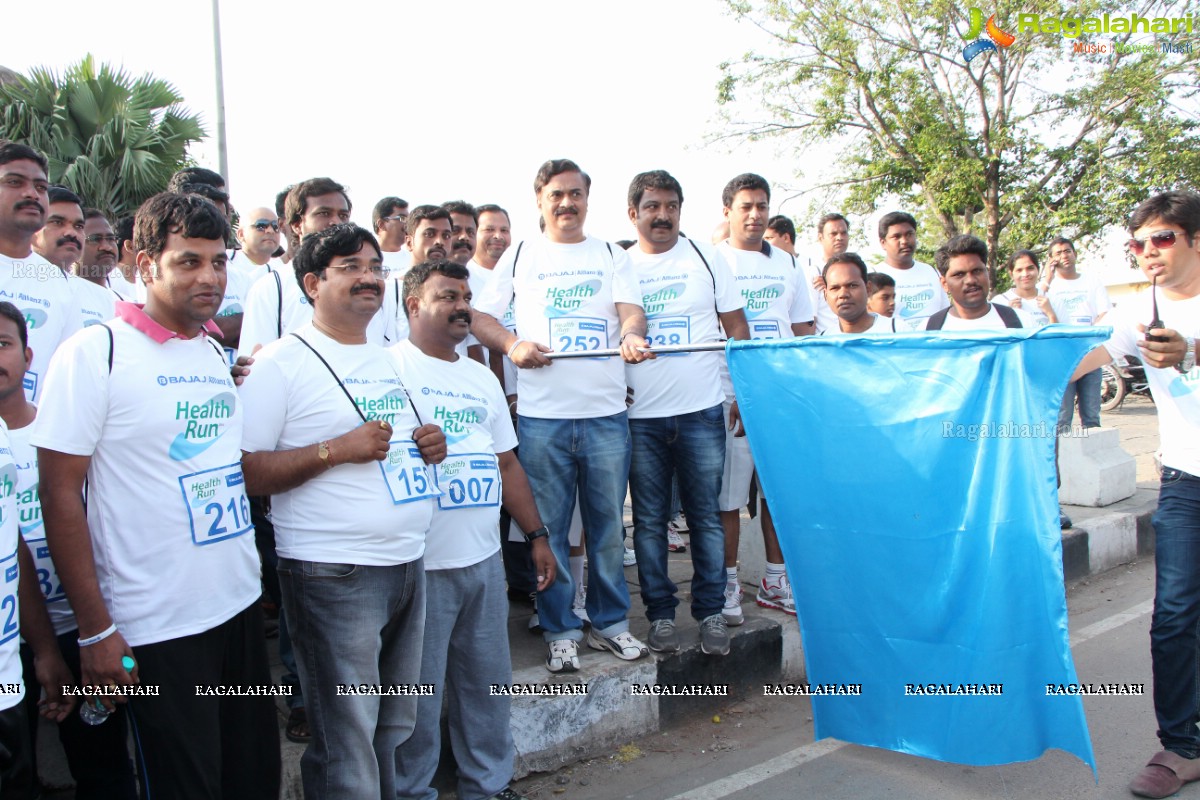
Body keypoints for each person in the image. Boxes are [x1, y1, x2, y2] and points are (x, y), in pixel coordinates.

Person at [35, 191, 280, 799]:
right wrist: (95, 632)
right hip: (155, 630)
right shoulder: (95, 354)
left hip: (238, 606)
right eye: (189, 262)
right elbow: (59, 496)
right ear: (143, 264)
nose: (211, 277)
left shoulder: (209, 350)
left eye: (219, 261)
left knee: (251, 780)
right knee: (185, 786)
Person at [238, 223, 446, 799]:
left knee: (394, 724)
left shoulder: (388, 358)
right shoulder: (280, 362)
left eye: (375, 267)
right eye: (351, 267)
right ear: (312, 282)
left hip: (406, 562)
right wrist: (335, 451)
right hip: (332, 573)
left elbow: (396, 444)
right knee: (346, 736)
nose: (369, 278)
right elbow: (247, 469)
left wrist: (431, 444)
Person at [472, 158, 652, 673]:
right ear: (540, 200)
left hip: (604, 416)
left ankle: (611, 623)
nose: (567, 203)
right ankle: (559, 629)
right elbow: (481, 317)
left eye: (576, 194)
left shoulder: (610, 254)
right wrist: (512, 344)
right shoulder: (521, 254)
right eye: (557, 195)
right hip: (542, 420)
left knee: (607, 530)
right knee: (546, 531)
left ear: (587, 199)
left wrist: (633, 335)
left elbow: (630, 311)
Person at [391, 258, 554, 800]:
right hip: (420, 565)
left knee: (486, 687)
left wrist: (536, 535)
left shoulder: (480, 377)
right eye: (448, 297)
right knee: (417, 696)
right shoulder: (388, 371)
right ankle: (413, 791)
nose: (463, 307)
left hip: (482, 560)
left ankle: (489, 785)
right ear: (414, 305)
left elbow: (508, 464)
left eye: (465, 297)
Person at [1068, 191, 1197, 800]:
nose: (1149, 252)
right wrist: (1004, 366)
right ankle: (1182, 746)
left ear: (1196, 240)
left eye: (1163, 238)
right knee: (1173, 618)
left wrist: (1193, 352)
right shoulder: (1136, 312)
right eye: (1139, 243)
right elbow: (1087, 357)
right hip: (1184, 483)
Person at [624, 170, 749, 656]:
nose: (663, 215)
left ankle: (712, 612)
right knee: (651, 521)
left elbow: (736, 328)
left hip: (700, 412)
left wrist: (739, 393)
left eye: (671, 205)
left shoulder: (705, 256)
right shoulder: (620, 264)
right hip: (641, 420)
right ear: (633, 213)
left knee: (708, 517)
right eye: (652, 206)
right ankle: (659, 615)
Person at [715, 173, 814, 625]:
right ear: (728, 212)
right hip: (727, 396)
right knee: (729, 497)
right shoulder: (713, 261)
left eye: (762, 206)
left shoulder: (789, 264)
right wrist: (738, 391)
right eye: (746, 207)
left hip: (779, 397)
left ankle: (776, 581)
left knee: (778, 492)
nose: (755, 215)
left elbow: (801, 330)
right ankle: (728, 583)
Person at [0, 142, 81, 404]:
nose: (32, 194)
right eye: (15, 182)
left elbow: (70, 376)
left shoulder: (59, 283)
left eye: (41, 187)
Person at [1045, 235, 1110, 432]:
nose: (1064, 255)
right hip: (1062, 356)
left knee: (1091, 414)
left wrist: (1090, 337)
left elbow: (1104, 312)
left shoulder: (1092, 281)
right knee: (1062, 416)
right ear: (1051, 259)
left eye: (1067, 251)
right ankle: (1061, 461)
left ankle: (1094, 459)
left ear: (1074, 254)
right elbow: (1037, 305)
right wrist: (1047, 277)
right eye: (1058, 253)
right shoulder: (1049, 287)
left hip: (1090, 352)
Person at [925, 235, 1035, 330]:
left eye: (977, 271)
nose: (970, 280)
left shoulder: (1023, 323)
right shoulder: (929, 330)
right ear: (945, 284)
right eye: (959, 274)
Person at [874, 211, 949, 331]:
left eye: (909, 234)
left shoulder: (931, 271)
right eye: (896, 236)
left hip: (932, 346)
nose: (904, 241)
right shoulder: (873, 275)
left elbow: (945, 312)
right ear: (883, 243)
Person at [822, 254, 897, 334]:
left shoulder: (897, 332)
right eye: (835, 288)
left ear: (868, 289)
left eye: (852, 286)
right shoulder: (821, 342)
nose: (843, 294)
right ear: (825, 295)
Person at [992, 249, 1057, 328]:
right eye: (1019, 270)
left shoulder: (1053, 300)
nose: (1025, 274)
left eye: (1030, 268)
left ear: (1038, 270)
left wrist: (1051, 315)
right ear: (1011, 274)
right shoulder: (999, 302)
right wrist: (1009, 314)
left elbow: (1064, 337)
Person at [77, 209, 120, 288]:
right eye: (95, 239)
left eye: (111, 238)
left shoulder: (121, 299)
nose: (107, 247)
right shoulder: (63, 297)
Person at [373, 196, 410, 273]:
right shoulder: (368, 259)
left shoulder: (413, 259)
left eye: (409, 219)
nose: (407, 224)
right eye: (402, 218)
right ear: (381, 224)